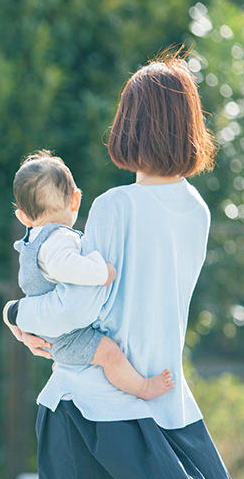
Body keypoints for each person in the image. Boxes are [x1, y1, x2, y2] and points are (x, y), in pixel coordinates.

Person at [3, 49, 244, 479]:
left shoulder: (113, 205)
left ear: (131, 124)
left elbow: (81, 302)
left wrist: (16, 315)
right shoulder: (196, 210)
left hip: (86, 408)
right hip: (163, 405)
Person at [11, 150, 175, 401]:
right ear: (75, 201)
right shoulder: (58, 237)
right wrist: (101, 272)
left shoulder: (34, 238)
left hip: (51, 328)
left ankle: (72, 364)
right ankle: (143, 388)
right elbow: (65, 266)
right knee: (109, 353)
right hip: (66, 335)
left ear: (22, 216)